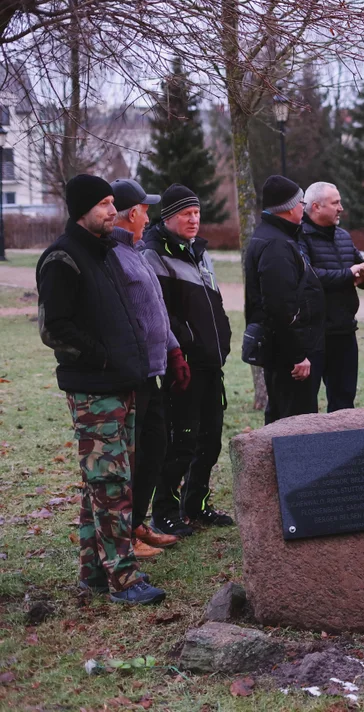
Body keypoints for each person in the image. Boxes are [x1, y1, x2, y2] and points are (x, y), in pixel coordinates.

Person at [36, 174, 166, 605]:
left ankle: (93, 573)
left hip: (123, 385)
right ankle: (124, 580)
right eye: (105, 204)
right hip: (95, 390)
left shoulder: (106, 252)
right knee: (110, 485)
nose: (114, 211)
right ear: (81, 210)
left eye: (113, 202)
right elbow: (55, 329)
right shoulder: (62, 259)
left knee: (106, 483)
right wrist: (104, 358)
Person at [141, 184, 233, 538]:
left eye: (196, 213)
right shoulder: (154, 255)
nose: (194, 219)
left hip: (212, 363)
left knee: (210, 439)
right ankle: (164, 511)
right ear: (168, 217)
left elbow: (215, 304)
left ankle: (196, 504)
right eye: (186, 214)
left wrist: (220, 343)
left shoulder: (200, 253)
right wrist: (185, 346)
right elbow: (159, 313)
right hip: (183, 365)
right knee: (182, 440)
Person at [109, 179, 188, 558]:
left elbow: (155, 312)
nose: (149, 214)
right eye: (145, 207)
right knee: (137, 455)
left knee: (156, 449)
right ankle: (127, 532)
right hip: (135, 374)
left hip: (155, 369)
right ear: (132, 213)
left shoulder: (137, 252)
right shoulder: (114, 257)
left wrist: (173, 351)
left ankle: (137, 520)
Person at [244, 175, 325, 424]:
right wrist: (297, 355)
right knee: (294, 424)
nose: (305, 206)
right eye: (301, 202)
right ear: (290, 208)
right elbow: (279, 307)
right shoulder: (276, 244)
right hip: (289, 358)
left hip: (288, 352)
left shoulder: (277, 236)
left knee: (286, 418)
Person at [299, 181, 364, 412]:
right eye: (335, 203)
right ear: (316, 207)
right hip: (314, 335)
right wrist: (347, 274)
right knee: (306, 404)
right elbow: (308, 277)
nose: (341, 208)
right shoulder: (299, 236)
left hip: (344, 333)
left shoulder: (343, 236)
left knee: (344, 403)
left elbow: (358, 270)